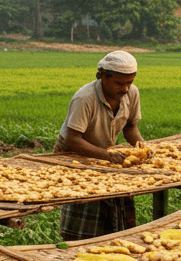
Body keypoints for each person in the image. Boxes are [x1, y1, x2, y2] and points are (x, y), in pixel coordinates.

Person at [55, 50, 144, 241]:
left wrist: (143, 147)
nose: (125, 88)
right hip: (75, 156)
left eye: (129, 82)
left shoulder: (132, 93)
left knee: (115, 204)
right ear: (102, 76)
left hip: (105, 154)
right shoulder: (85, 98)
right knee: (86, 206)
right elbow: (72, 139)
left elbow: (130, 127)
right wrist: (107, 155)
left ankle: (113, 242)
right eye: (119, 83)